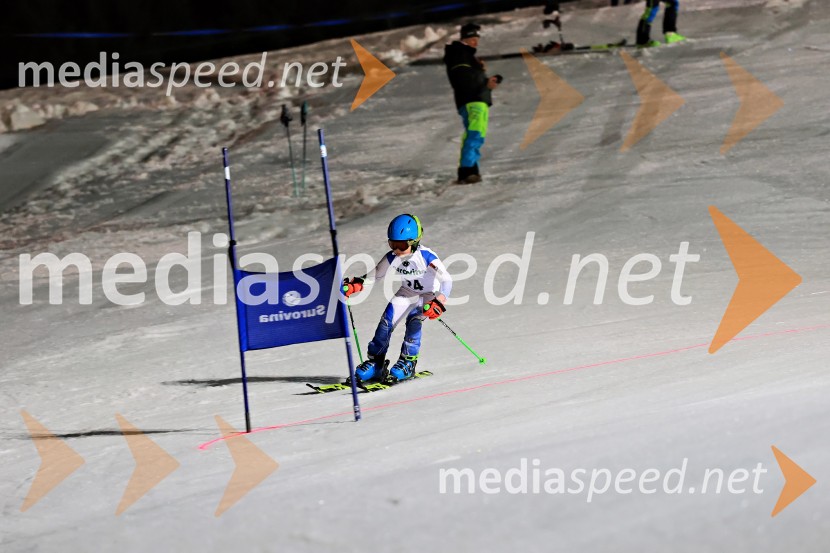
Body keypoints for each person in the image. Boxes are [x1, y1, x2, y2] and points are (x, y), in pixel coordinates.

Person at [341, 214, 453, 384]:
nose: (396, 250)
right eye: (393, 244)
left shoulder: (427, 256)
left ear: (414, 242)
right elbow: (374, 275)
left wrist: (439, 301)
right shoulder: (393, 256)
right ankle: (376, 363)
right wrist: (357, 284)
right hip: (407, 292)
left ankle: (408, 362)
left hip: (428, 295)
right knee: (386, 322)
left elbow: (447, 280)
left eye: (401, 245)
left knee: (414, 319)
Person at [443, 23, 500, 185]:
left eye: (477, 39)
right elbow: (464, 80)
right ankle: (467, 171)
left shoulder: (465, 55)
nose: (475, 42)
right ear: (464, 39)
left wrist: (486, 81)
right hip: (472, 101)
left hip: (475, 100)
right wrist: (484, 84)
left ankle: (471, 169)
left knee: (475, 135)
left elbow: (469, 79)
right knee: (475, 134)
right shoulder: (460, 54)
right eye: (472, 38)